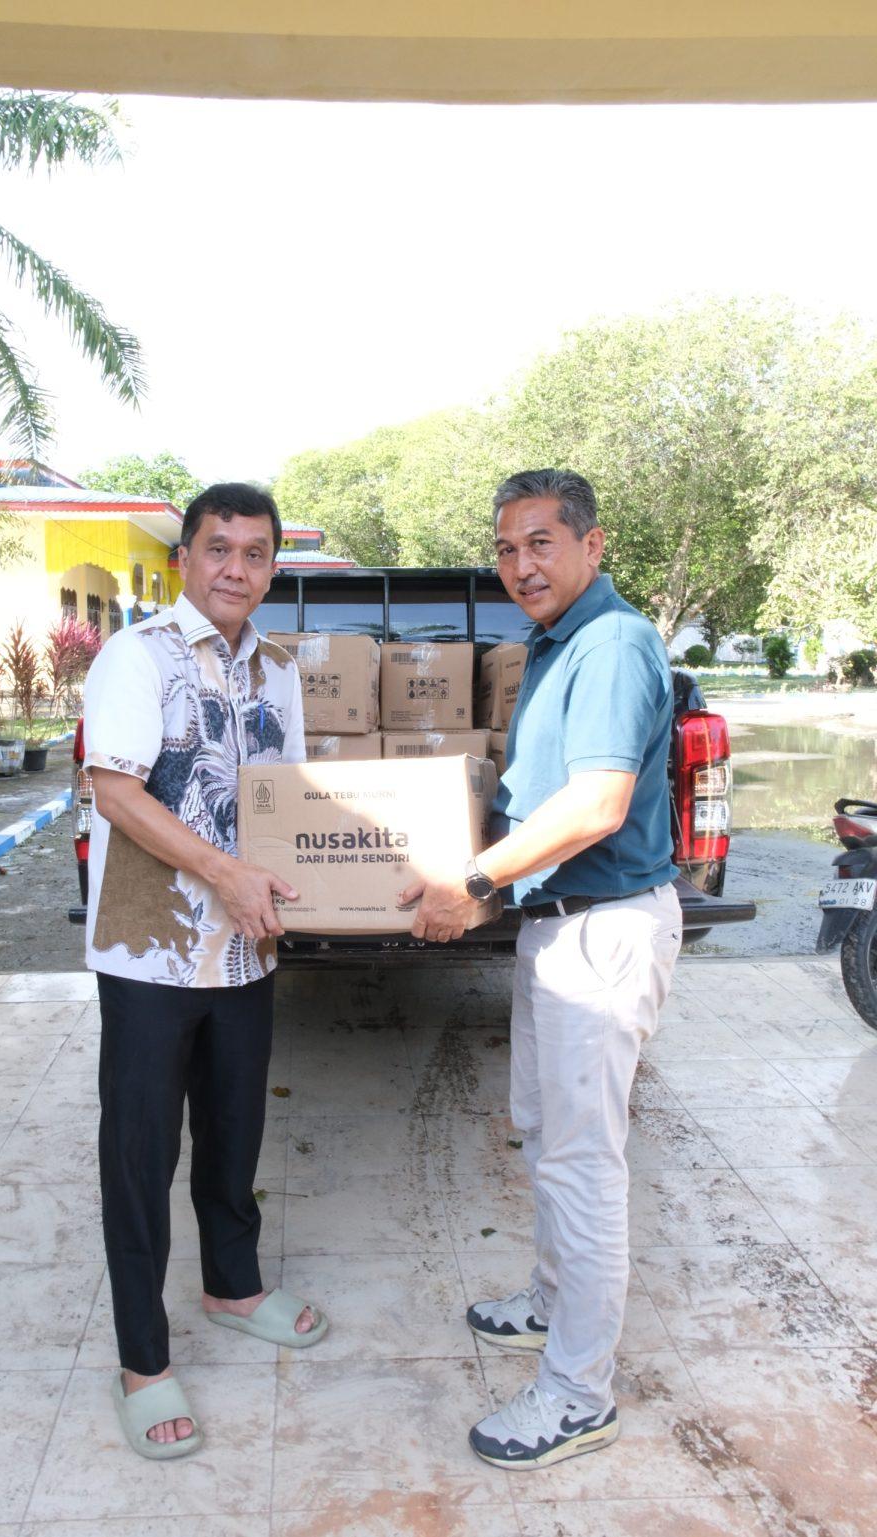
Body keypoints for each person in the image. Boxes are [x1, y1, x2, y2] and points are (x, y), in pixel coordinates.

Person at [400, 468, 682, 1470]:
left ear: (592, 545)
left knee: (582, 1165)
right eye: (506, 548)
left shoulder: (612, 644)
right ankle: (553, 1301)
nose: (520, 565)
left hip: (602, 931)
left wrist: (471, 879)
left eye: (540, 543)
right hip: (557, 924)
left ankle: (577, 1395)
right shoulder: (556, 641)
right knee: (543, 1133)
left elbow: (597, 804)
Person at [83, 482, 328, 1461]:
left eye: (255, 552)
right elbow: (115, 790)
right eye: (218, 548)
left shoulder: (279, 669)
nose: (236, 567)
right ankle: (143, 1363)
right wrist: (224, 872)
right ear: (184, 556)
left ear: (272, 568)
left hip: (243, 945)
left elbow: (288, 798)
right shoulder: (136, 656)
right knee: (141, 1152)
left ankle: (232, 1285)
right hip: (152, 947)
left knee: (235, 1129)